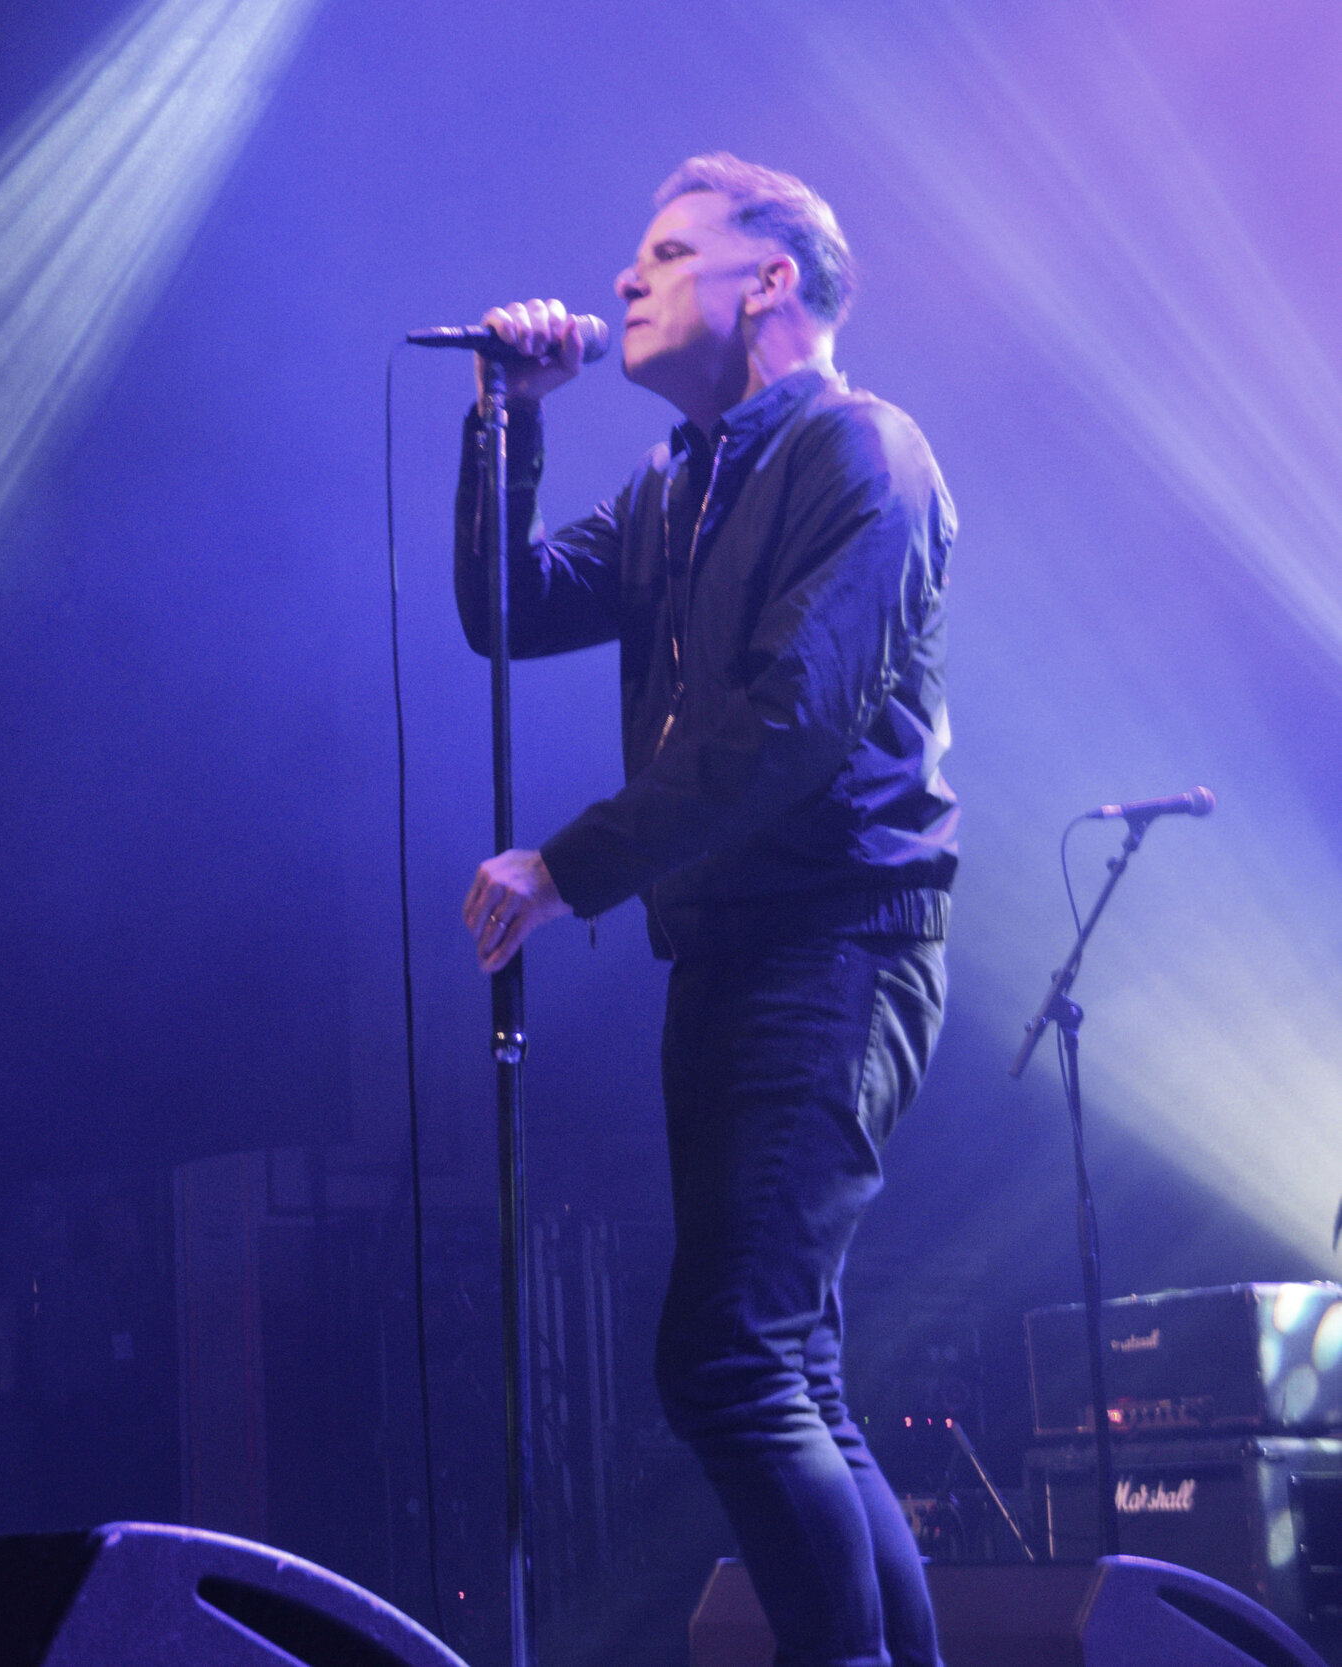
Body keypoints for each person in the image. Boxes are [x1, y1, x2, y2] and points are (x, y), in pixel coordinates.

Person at [455, 155, 958, 1667]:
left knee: (731, 1356)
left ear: (772, 281)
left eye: (667, 252)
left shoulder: (862, 450)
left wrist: (568, 862)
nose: (622, 281)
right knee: (785, 1362)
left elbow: (794, 715)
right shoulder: (678, 482)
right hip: (731, 946)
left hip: (839, 935)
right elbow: (508, 605)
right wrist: (511, 417)